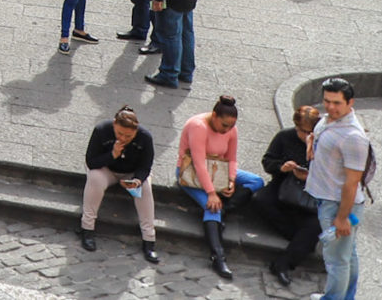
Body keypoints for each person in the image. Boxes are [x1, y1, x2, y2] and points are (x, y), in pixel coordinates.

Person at [178, 94, 256, 279]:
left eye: (231, 126)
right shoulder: (198, 126)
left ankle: (224, 212)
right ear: (214, 116)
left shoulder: (230, 129)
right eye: (224, 126)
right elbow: (198, 163)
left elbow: (232, 158)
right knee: (212, 207)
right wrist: (212, 193)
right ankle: (218, 257)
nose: (227, 130)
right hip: (191, 174)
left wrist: (230, 180)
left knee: (255, 181)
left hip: (217, 169)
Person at [306, 78, 370, 300]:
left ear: (350, 102)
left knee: (336, 261)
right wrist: (310, 145)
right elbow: (315, 135)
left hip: (338, 205)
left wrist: (342, 218)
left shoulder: (353, 137)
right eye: (327, 101)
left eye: (337, 103)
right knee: (347, 256)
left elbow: (352, 182)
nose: (331, 107)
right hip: (329, 199)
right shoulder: (329, 121)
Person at [77, 107, 162, 263]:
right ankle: (87, 228)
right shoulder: (102, 130)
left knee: (144, 188)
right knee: (95, 179)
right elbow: (91, 161)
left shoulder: (145, 138)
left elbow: (145, 167)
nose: (123, 138)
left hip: (131, 173)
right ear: (114, 124)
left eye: (129, 136)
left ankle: (149, 240)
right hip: (106, 170)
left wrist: (137, 180)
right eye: (120, 133)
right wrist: (112, 155)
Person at [259, 101, 326, 285]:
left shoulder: (323, 144)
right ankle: (300, 240)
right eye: (301, 131)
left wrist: (309, 176)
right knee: (261, 199)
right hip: (284, 185)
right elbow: (267, 162)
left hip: (309, 192)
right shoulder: (284, 137)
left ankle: (284, 263)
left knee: (316, 223)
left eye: (308, 132)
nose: (305, 136)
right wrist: (283, 167)